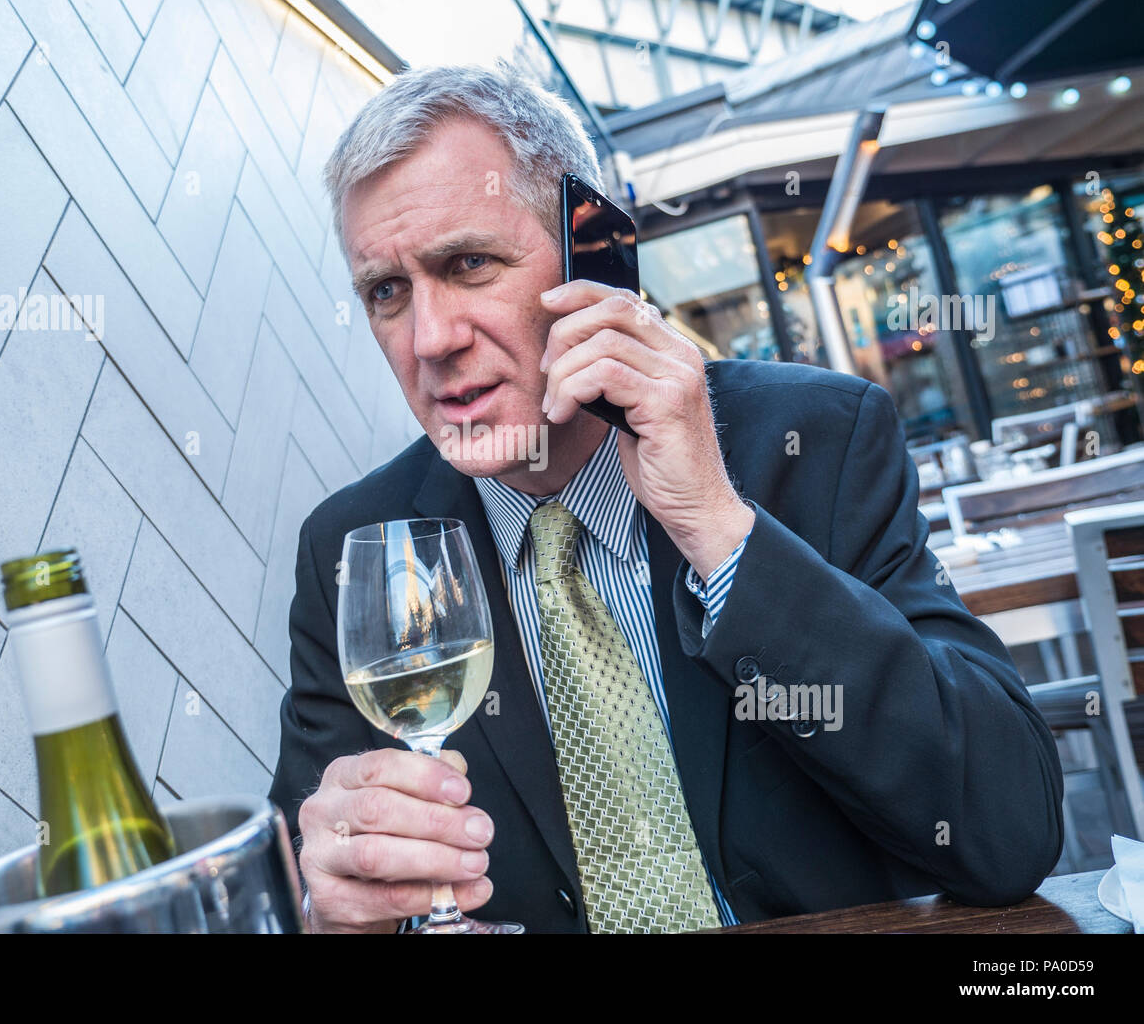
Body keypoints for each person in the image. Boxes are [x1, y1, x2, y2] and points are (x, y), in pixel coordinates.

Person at [268, 64, 1063, 934]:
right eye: (388, 291)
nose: (430, 338)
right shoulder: (355, 546)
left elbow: (1008, 827)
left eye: (469, 264)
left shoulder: (815, 442)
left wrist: (721, 532)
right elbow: (298, 888)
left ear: (595, 260)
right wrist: (331, 906)